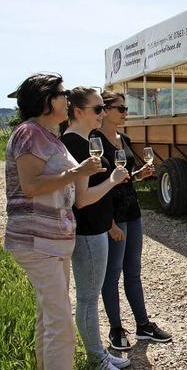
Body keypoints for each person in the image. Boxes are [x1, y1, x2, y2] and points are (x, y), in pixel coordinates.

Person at [4, 73, 104, 369]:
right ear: (47, 100)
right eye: (62, 93)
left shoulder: (50, 136)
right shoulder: (29, 133)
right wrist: (77, 173)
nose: (67, 98)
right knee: (61, 324)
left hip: (53, 241)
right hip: (37, 241)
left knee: (49, 318)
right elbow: (31, 185)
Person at [95, 91, 172, 350]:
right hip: (113, 214)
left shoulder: (123, 138)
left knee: (133, 272)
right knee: (112, 273)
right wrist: (108, 223)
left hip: (132, 211)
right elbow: (95, 184)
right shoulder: (94, 141)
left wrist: (139, 175)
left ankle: (143, 325)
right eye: (121, 108)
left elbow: (124, 177)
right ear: (104, 110)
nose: (126, 112)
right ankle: (116, 329)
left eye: (126, 108)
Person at [61, 88, 131, 369]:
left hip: (96, 228)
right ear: (79, 112)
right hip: (87, 231)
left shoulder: (87, 140)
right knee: (88, 299)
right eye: (98, 108)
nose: (103, 113)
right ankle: (96, 358)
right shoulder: (73, 144)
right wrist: (113, 180)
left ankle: (98, 351)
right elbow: (83, 199)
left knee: (90, 297)